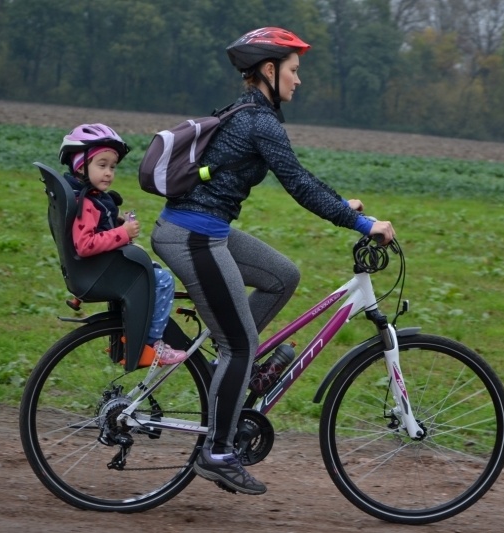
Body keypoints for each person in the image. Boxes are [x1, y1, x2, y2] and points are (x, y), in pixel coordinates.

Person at [150, 27, 395, 495]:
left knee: (283, 277)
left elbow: (299, 175)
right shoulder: (258, 121)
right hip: (191, 235)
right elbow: (299, 185)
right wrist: (364, 226)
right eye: (294, 70)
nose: (298, 80)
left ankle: (243, 372)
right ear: (269, 70)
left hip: (208, 230)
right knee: (236, 344)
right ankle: (217, 452)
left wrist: (344, 205)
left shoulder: (253, 116)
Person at [59, 123, 188, 368]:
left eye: (112, 166)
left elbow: (93, 230)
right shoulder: (87, 203)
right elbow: (85, 244)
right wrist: (122, 233)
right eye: (102, 165)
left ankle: (126, 339)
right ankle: (150, 344)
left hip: (100, 269)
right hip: (100, 272)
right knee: (162, 281)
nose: (109, 173)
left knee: (152, 270)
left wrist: (114, 223)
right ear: (81, 166)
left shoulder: (88, 198)